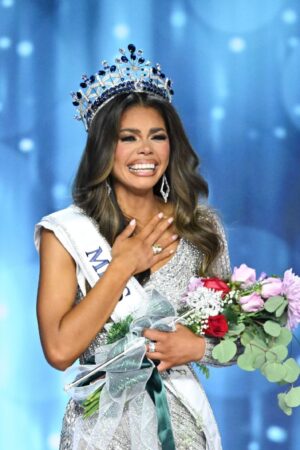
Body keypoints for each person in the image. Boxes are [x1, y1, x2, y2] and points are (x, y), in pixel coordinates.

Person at [35, 44, 231, 450]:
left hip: (182, 425)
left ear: (171, 146)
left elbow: (233, 338)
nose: (145, 149)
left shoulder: (202, 228)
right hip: (100, 430)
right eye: (128, 138)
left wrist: (196, 346)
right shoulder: (67, 233)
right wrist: (121, 266)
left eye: (157, 137)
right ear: (105, 148)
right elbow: (58, 351)